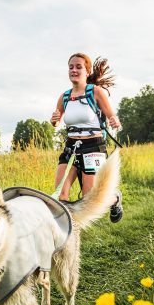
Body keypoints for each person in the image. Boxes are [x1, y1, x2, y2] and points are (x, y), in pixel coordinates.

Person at [50, 53, 123, 223]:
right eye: (71, 67)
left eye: (78, 67)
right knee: (61, 194)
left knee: (90, 199)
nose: (74, 70)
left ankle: (114, 199)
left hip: (93, 146)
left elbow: (111, 115)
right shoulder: (64, 97)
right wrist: (54, 120)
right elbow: (56, 121)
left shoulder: (95, 92)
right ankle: (66, 231)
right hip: (71, 146)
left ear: (87, 71)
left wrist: (115, 121)